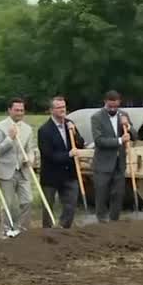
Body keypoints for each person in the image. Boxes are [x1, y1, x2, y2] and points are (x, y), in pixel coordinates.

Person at [36, 95, 86, 229]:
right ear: (51, 110)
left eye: (63, 107)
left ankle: (63, 230)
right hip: (51, 175)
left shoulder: (70, 125)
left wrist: (74, 133)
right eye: (58, 108)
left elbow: (80, 144)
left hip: (69, 174)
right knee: (48, 208)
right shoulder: (44, 130)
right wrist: (68, 154)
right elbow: (48, 154)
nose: (62, 110)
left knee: (71, 205)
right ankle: (47, 234)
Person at [0, 97, 38, 233]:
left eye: (22, 110)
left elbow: (30, 148)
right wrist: (10, 138)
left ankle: (23, 230)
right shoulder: (0, 127)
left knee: (28, 200)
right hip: (6, 171)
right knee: (8, 204)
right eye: (16, 110)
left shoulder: (27, 129)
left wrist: (30, 158)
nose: (19, 113)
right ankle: (6, 231)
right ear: (9, 110)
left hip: (23, 171)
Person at [90, 90, 131, 223]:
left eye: (115, 106)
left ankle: (114, 221)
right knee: (101, 194)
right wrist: (119, 140)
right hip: (103, 164)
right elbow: (99, 140)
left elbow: (135, 136)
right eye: (110, 106)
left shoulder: (123, 115)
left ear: (119, 103)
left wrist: (128, 127)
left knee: (118, 194)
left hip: (119, 163)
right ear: (105, 102)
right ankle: (101, 221)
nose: (113, 108)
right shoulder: (96, 117)